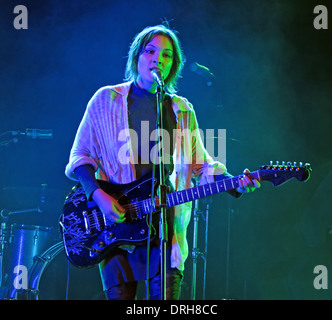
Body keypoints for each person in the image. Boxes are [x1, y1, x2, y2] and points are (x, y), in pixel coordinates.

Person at [65, 24, 260, 300]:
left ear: (173, 65)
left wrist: (234, 182)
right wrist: (98, 196)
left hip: (166, 231)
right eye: (151, 51)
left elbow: (200, 165)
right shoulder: (106, 99)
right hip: (118, 230)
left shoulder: (181, 109)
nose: (158, 59)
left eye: (167, 55)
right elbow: (80, 156)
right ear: (137, 57)